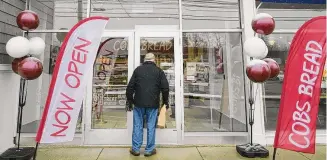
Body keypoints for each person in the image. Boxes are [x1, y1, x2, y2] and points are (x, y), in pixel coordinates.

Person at [126, 53, 169, 157]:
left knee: (137, 125)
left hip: (138, 103)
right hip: (153, 104)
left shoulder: (138, 70)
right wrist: (165, 102)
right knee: (151, 126)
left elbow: (130, 87)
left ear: (144, 60)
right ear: (154, 60)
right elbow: (165, 88)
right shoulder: (159, 71)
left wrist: (130, 100)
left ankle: (136, 149)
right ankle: (149, 150)